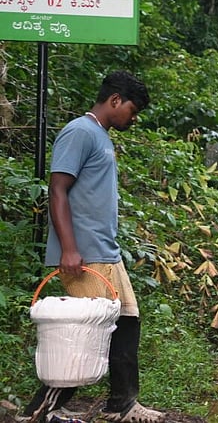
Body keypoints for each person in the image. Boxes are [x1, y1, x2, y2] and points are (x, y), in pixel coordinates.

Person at [17, 71, 164, 423]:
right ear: (115, 100)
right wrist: (69, 248)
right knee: (84, 332)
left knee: (127, 324)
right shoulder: (80, 132)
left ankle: (122, 405)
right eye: (133, 108)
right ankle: (40, 410)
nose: (134, 116)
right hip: (85, 254)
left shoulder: (100, 136)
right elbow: (57, 190)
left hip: (105, 251)